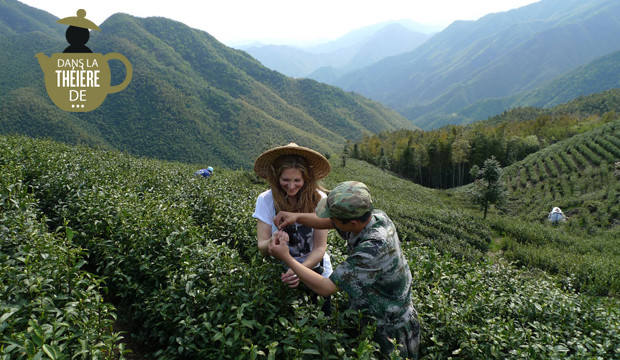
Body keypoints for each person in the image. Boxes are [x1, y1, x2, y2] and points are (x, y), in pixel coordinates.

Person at [269, 181, 420, 359]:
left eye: (334, 219)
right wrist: (295, 217)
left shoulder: (372, 249)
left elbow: (327, 287)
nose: (330, 221)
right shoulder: (376, 216)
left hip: (390, 329)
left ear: (353, 223)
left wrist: (286, 257)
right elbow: (329, 222)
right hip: (372, 316)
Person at [252, 143, 333, 312]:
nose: (291, 186)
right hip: (283, 275)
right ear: (276, 178)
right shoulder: (266, 200)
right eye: (285, 180)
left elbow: (320, 248)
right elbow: (262, 246)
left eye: (297, 180)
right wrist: (273, 241)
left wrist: (298, 271)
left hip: (317, 273)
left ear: (306, 179)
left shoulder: (319, 199)